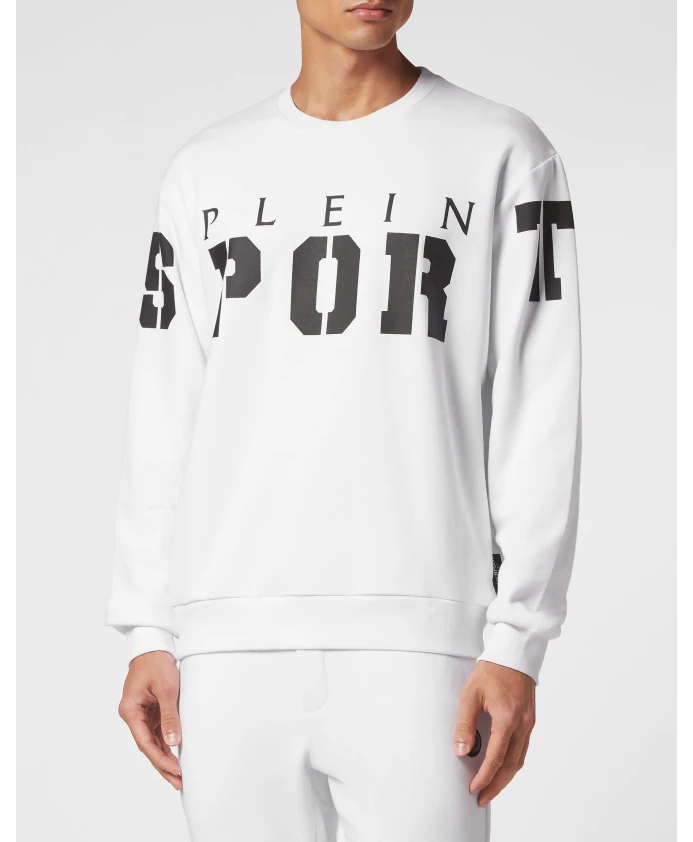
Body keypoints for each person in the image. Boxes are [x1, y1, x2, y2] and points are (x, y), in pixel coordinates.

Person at [107, 1, 581, 839]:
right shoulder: (205, 171)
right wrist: (149, 626)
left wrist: (516, 641)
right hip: (227, 642)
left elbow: (538, 402)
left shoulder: (502, 152)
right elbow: (165, 407)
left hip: (422, 637)